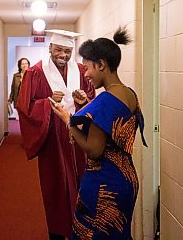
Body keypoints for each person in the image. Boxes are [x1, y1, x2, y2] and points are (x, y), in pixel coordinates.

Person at [49, 27, 147, 240]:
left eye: (87, 68)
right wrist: (87, 105)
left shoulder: (105, 100)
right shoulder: (128, 94)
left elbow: (94, 150)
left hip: (105, 183)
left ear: (101, 64)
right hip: (127, 178)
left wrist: (68, 121)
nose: (85, 74)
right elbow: (111, 125)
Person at [16, 30, 95, 240]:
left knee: (83, 183)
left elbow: (91, 101)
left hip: (79, 136)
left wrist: (82, 99)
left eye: (68, 51)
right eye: (59, 49)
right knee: (56, 187)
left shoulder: (81, 70)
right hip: (52, 138)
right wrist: (47, 102)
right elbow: (24, 107)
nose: (63, 55)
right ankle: (58, 232)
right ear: (50, 48)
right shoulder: (36, 72)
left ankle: (82, 229)